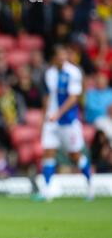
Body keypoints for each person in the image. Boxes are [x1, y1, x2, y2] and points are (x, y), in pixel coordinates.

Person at [37, 45, 93, 201]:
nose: (62, 58)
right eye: (59, 56)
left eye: (64, 55)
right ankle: (47, 190)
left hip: (68, 121)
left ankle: (90, 185)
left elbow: (74, 98)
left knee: (74, 155)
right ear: (54, 58)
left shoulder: (73, 72)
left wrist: (58, 114)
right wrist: (44, 117)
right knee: (48, 152)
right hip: (51, 120)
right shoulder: (50, 73)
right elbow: (48, 96)